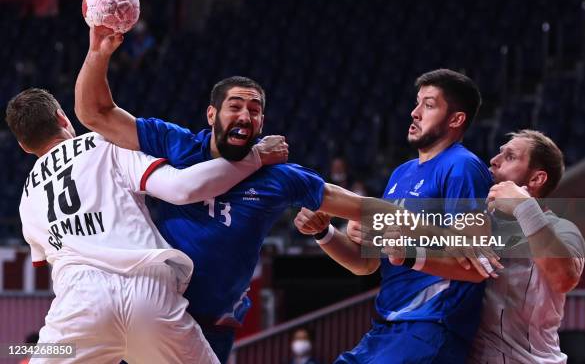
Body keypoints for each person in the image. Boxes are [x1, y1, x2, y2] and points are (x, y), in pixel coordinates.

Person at [75, 27, 451, 362]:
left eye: (254, 110)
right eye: (235, 106)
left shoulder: (279, 177)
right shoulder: (178, 144)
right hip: (153, 308)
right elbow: (95, 114)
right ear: (211, 114)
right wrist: (98, 52)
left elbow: (362, 207)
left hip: (211, 326)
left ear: (262, 123)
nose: (245, 116)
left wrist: (464, 235)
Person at [6, 88, 288, 363]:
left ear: (23, 145)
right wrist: (256, 157)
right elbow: (183, 188)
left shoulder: (26, 199)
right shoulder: (104, 143)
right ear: (62, 118)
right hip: (148, 293)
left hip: (80, 304)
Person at [295, 69, 494, 363]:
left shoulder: (463, 167)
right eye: (417, 103)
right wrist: (324, 233)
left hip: (431, 326)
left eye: (428, 104)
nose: (414, 113)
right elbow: (367, 263)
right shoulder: (402, 172)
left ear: (456, 119)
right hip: (387, 327)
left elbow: (476, 265)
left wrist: (411, 251)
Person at [468, 130, 585, 363]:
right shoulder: (474, 222)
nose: (494, 160)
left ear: (536, 179)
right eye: (499, 153)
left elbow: (564, 278)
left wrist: (524, 207)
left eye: (510, 156)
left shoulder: (563, 229)